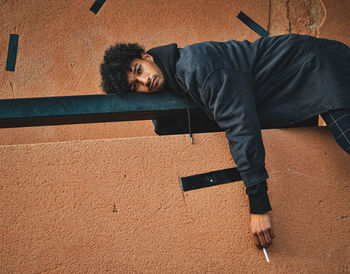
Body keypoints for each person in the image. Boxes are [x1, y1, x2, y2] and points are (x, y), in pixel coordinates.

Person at [99, 34, 350, 250]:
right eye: (136, 87)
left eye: (138, 70)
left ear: (147, 57)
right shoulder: (180, 77)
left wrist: (258, 206)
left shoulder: (198, 65)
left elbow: (240, 126)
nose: (144, 82)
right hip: (302, 84)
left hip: (318, 66)